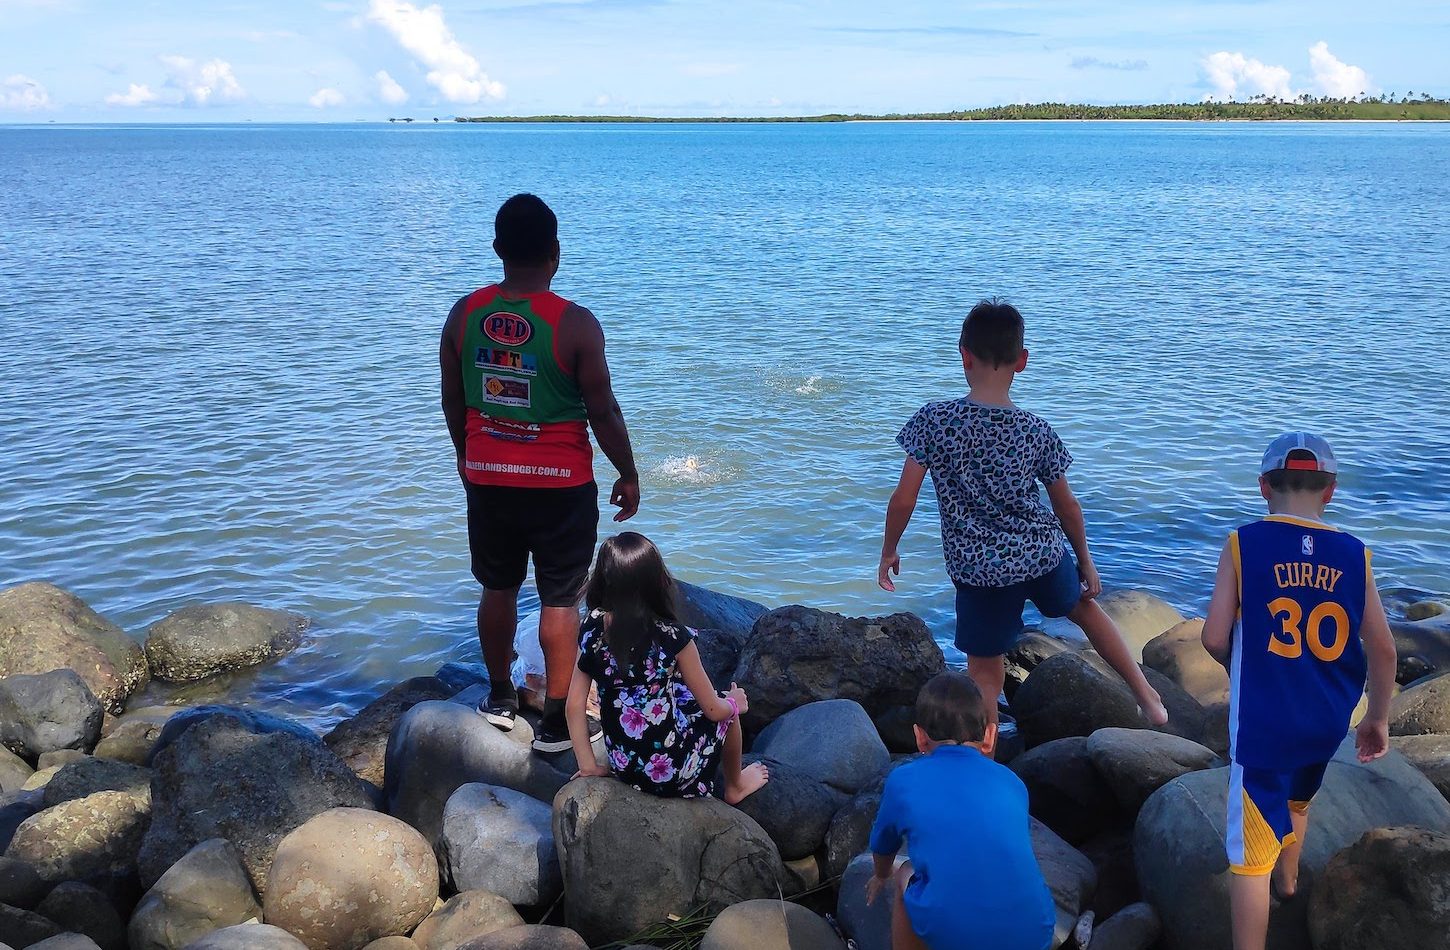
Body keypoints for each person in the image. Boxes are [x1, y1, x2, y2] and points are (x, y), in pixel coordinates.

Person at [877, 298, 1166, 746]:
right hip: (1040, 554)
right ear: (1022, 361)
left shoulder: (933, 420)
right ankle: (1147, 696)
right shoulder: (1035, 429)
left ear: (963, 354)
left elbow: (904, 499)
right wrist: (1086, 561)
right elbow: (1067, 506)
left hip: (980, 571)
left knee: (985, 673)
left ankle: (985, 758)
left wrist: (889, 549)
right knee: (1086, 609)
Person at [440, 193, 640, 754]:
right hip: (561, 486)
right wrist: (628, 472)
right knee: (560, 602)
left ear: (498, 249)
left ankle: (500, 697)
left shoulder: (464, 315)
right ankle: (556, 723)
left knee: (496, 587)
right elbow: (603, 410)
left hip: (489, 478)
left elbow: (453, 401)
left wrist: (466, 455)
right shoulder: (575, 324)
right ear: (556, 252)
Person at [1200, 433, 1396, 950]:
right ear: (1329, 490)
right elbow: (1384, 652)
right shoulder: (1356, 554)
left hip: (1266, 726)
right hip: (1325, 720)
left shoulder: (1244, 543)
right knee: (1299, 800)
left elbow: (1215, 637)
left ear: (1264, 486)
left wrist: (1239, 663)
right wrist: (1376, 717)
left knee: (1248, 862)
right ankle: (1290, 883)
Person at [566, 532, 769, 803]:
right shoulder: (673, 636)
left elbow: (573, 706)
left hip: (624, 765)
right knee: (725, 711)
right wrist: (735, 705)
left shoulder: (592, 628)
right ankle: (736, 785)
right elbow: (711, 708)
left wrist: (588, 766)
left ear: (602, 579)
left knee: (681, 695)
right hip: (670, 772)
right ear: (658, 581)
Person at [866, 671, 1055, 950]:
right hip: (1036, 930)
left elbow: (883, 846)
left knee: (905, 871)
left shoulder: (903, 781)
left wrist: (881, 874)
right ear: (990, 735)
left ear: (919, 738)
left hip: (955, 933)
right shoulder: (1012, 782)